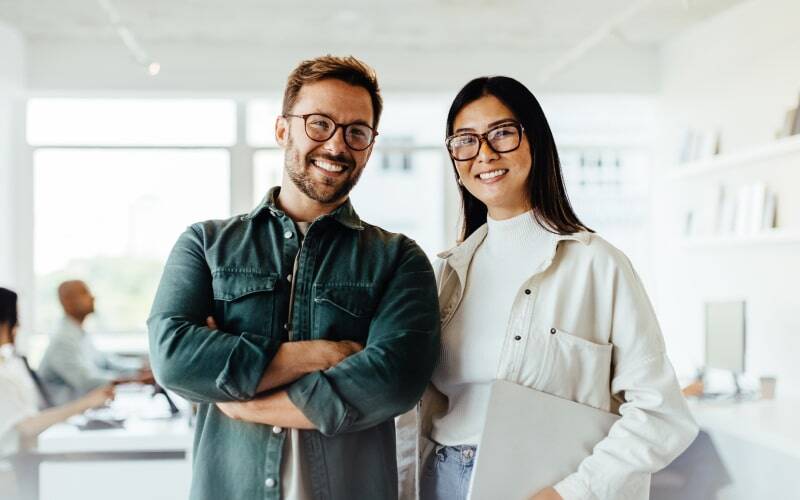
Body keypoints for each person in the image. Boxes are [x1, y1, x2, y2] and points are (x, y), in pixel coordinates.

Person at [147, 55, 440, 500]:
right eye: (319, 123)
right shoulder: (206, 245)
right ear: (283, 129)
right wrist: (322, 354)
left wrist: (248, 405)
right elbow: (173, 358)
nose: (337, 146)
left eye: (356, 132)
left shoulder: (398, 259)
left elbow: (395, 380)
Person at [397, 76, 698, 500]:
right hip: (442, 481)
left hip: (549, 489)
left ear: (535, 141)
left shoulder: (598, 265)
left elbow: (662, 413)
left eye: (502, 133)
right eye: (465, 140)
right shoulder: (445, 273)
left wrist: (569, 494)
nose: (484, 153)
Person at [0, 287, 114, 499]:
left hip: (25, 461)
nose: (20, 324)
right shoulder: (4, 372)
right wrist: (86, 403)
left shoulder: (12, 362)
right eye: (16, 316)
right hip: (10, 472)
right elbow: (26, 426)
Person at [38, 280, 152, 405]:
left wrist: (141, 367)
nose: (92, 297)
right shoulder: (62, 339)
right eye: (84, 293)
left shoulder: (79, 333)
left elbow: (107, 363)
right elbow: (86, 381)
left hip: (84, 411)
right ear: (67, 302)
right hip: (64, 417)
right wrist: (135, 379)